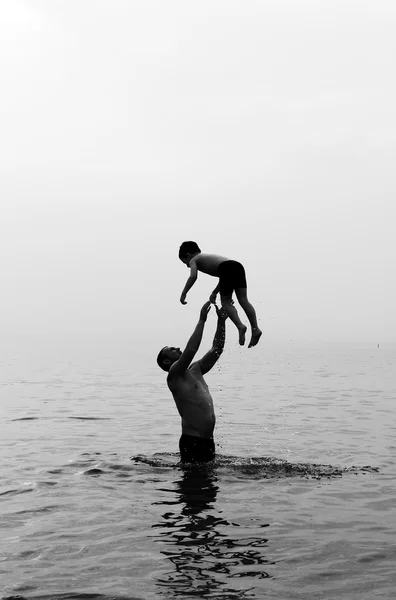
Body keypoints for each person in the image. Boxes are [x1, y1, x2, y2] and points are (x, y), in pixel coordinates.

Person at [156, 301, 227, 463]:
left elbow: (217, 348)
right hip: (192, 441)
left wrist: (221, 321)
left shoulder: (196, 370)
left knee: (208, 486)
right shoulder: (174, 376)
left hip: (207, 441)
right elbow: (191, 350)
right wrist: (202, 320)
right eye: (172, 350)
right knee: (192, 486)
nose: (178, 349)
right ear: (167, 362)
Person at [178, 240, 262, 348]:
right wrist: (214, 292)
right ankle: (255, 329)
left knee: (226, 302)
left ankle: (240, 326)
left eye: (185, 262)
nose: (187, 266)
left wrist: (184, 293)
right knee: (243, 300)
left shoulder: (194, 260)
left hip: (226, 269)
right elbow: (224, 276)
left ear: (188, 255)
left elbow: (193, 276)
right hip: (237, 266)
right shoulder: (210, 258)